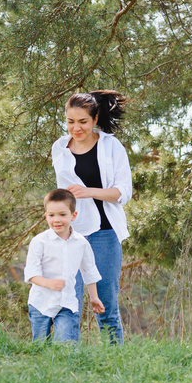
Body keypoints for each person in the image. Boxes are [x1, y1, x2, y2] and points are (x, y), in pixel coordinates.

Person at [51, 91, 132, 344]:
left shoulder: (111, 146)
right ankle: (67, 362)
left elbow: (123, 192)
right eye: (70, 121)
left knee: (106, 304)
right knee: (67, 302)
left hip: (105, 234)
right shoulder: (59, 148)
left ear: (95, 119)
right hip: (71, 235)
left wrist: (89, 192)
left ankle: (114, 361)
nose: (76, 128)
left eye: (83, 122)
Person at [23, 188, 105, 343]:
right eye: (52, 215)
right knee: (40, 345)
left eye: (62, 214)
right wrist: (48, 283)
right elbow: (31, 273)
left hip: (67, 303)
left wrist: (94, 297)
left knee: (66, 344)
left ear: (73, 216)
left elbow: (89, 271)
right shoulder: (39, 242)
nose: (57, 220)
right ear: (46, 216)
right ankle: (42, 367)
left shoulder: (81, 243)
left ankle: (68, 366)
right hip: (41, 302)